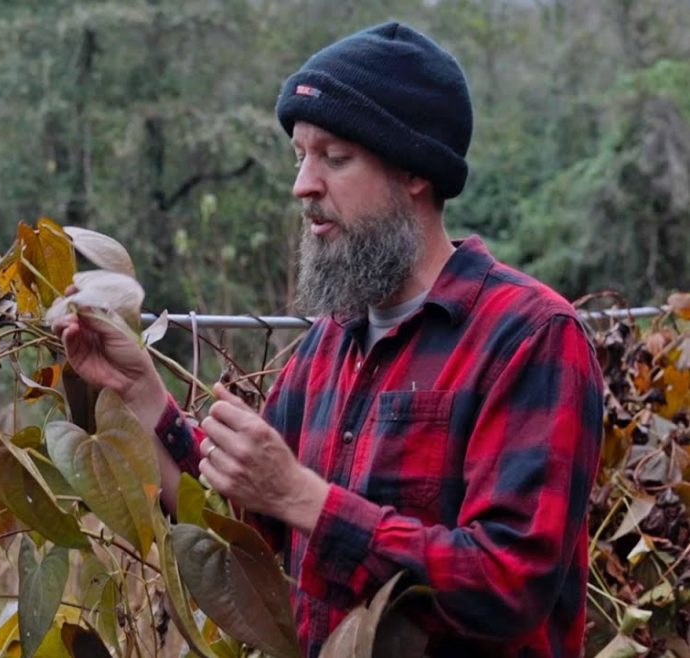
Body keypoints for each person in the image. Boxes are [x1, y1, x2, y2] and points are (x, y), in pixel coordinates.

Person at [53, 21, 604, 657]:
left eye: (335, 158)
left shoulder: (529, 336)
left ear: (414, 171)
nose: (302, 185)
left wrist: (303, 496)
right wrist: (142, 391)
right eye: (299, 156)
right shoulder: (331, 342)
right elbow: (248, 528)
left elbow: (510, 583)